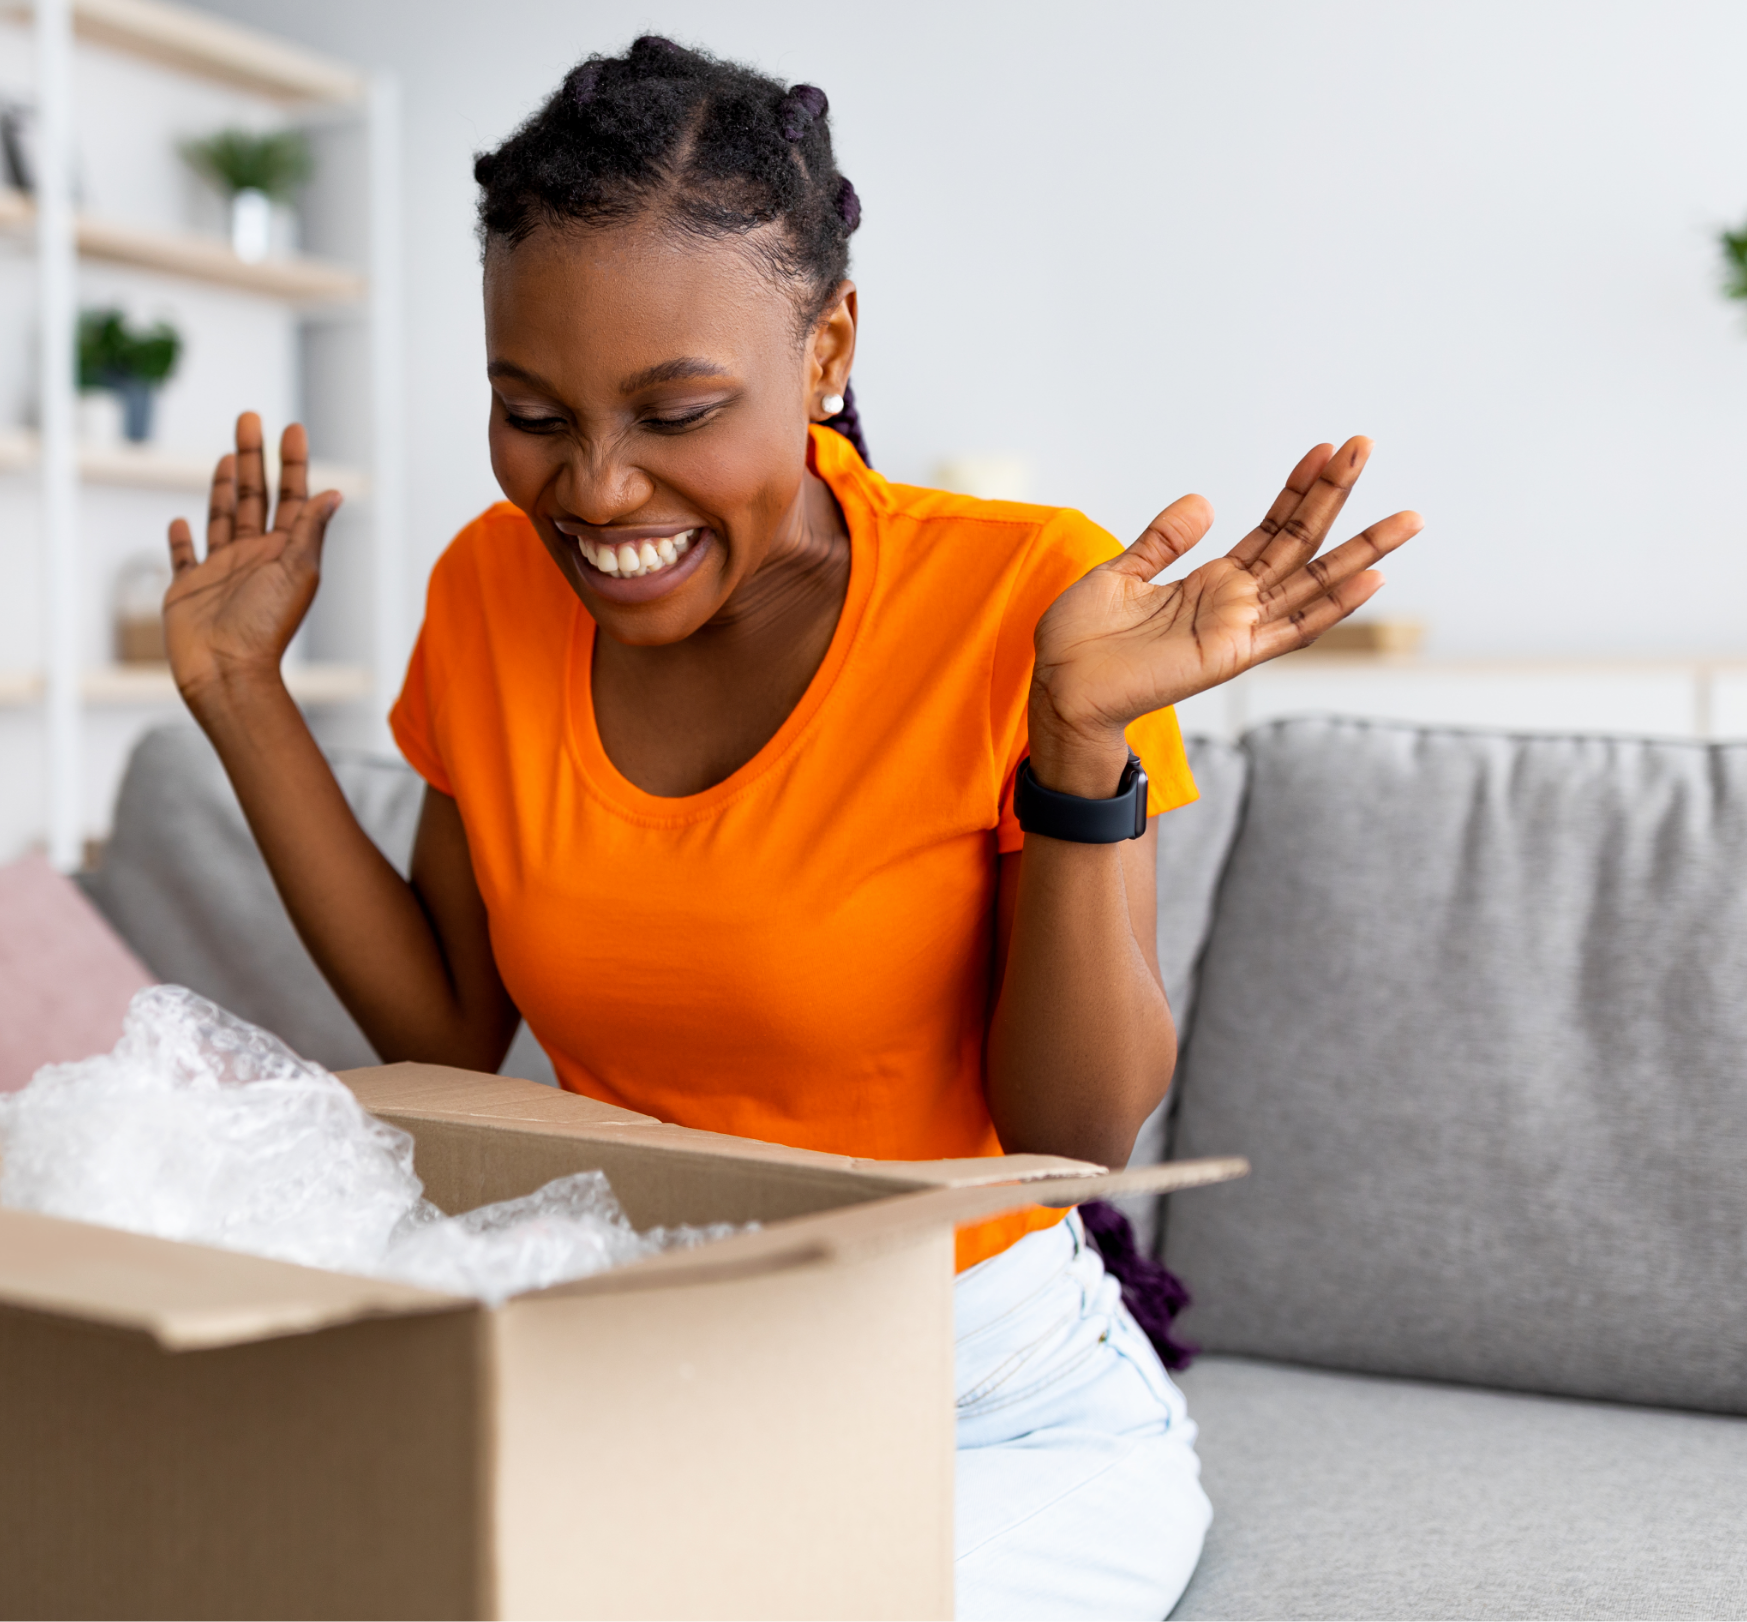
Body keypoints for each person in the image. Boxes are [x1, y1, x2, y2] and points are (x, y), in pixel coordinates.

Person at [159, 34, 1418, 1622]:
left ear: (827, 348)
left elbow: (1077, 1135)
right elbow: (446, 1029)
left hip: (984, 1404)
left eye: (676, 410)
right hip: (644, 1354)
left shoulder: (1027, 602)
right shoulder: (489, 591)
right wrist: (242, 700)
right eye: (530, 410)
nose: (598, 491)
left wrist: (1078, 742)